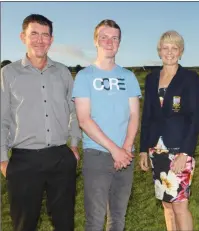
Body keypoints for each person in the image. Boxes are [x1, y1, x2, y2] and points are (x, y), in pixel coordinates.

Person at [0, 14, 81, 231]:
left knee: (65, 223)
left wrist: (73, 145)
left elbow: (74, 110)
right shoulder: (8, 73)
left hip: (60, 157)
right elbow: (2, 118)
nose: (40, 40)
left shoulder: (63, 72)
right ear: (22, 37)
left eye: (45, 35)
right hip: (23, 160)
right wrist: (2, 160)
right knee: (24, 224)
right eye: (34, 34)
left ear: (51, 40)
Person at [72, 19, 141, 231]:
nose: (109, 42)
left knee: (118, 219)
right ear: (95, 41)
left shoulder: (128, 76)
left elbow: (134, 114)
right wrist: (115, 150)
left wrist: (126, 148)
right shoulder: (85, 76)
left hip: (125, 157)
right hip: (97, 155)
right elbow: (84, 120)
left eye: (114, 38)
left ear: (119, 43)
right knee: (95, 220)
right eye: (104, 37)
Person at [139, 30, 199, 231]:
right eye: (165, 48)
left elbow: (195, 118)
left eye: (174, 48)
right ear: (159, 51)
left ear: (181, 52)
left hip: (179, 150)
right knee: (166, 203)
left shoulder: (189, 78)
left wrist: (186, 153)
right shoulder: (151, 79)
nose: (169, 52)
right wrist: (142, 149)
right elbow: (147, 115)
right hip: (156, 151)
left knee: (180, 205)